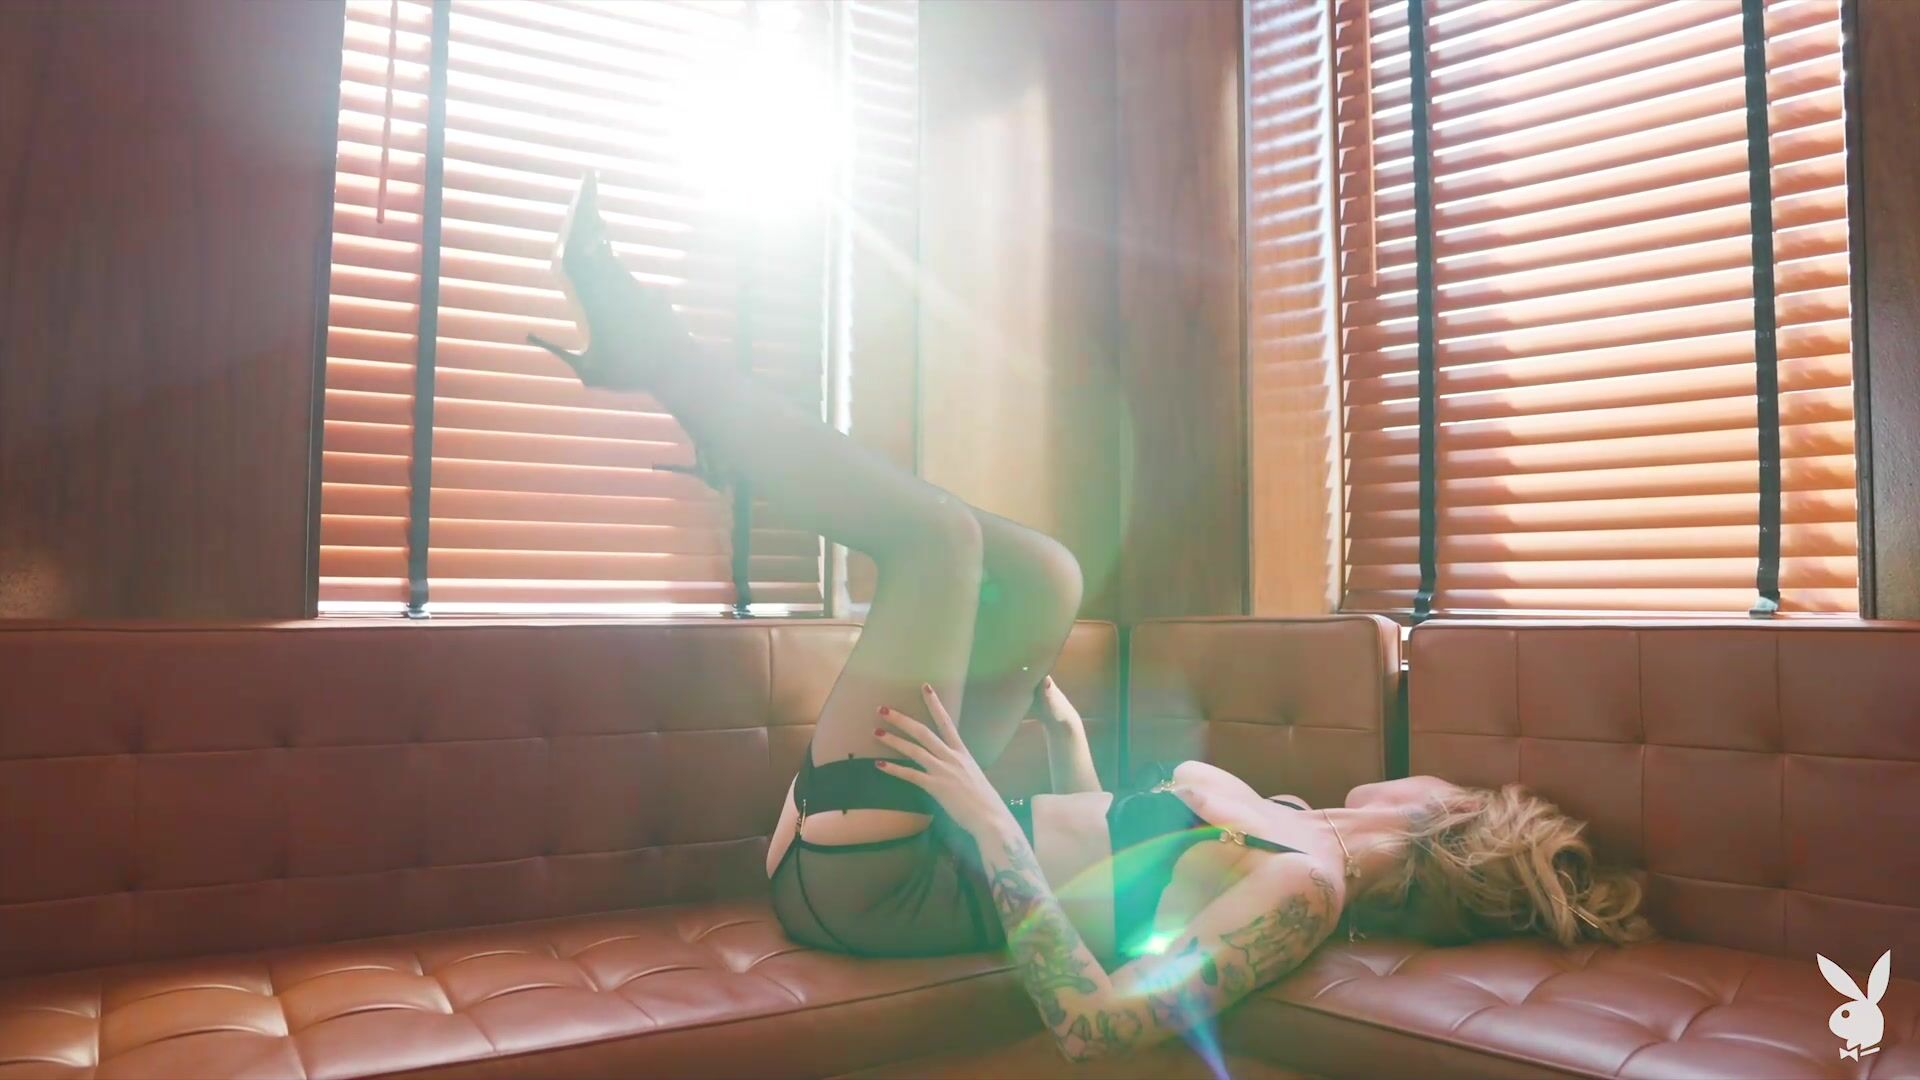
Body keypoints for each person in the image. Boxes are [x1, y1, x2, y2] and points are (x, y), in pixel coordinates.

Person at [531, 175, 1652, 1063]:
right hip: (894, 845)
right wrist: (1065, 750)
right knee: (1045, 576)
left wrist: (991, 820)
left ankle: (658, 359)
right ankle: (741, 443)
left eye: (1450, 784)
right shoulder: (1295, 824)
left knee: (938, 543)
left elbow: (1094, 1024)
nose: (1428, 771)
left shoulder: (1305, 888)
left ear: (1447, 820)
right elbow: (1118, 873)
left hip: (876, 885)